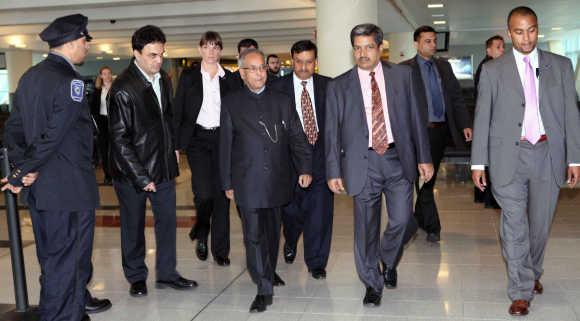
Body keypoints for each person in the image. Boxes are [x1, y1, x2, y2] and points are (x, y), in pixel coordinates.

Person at [471, 6, 580, 316]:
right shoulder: (493, 70)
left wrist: (575, 157)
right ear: (509, 33)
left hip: (548, 154)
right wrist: (478, 162)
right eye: (519, 32)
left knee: (539, 226)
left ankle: (531, 272)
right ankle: (520, 290)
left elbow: (571, 115)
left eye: (531, 30)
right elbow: (483, 118)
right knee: (514, 224)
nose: (526, 37)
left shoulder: (560, 65)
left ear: (538, 28)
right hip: (510, 157)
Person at [2, 13, 110, 321]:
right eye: (84, 42)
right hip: (69, 191)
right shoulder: (70, 81)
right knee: (70, 264)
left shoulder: (30, 77)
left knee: (53, 262)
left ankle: (70, 314)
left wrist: (26, 168)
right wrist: (24, 171)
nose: (86, 48)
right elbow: (55, 134)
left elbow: (13, 130)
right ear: (74, 42)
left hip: (42, 191)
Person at [325, 23, 433, 307]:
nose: (362, 53)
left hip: (399, 160)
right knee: (365, 229)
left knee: (402, 221)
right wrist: (333, 170)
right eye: (357, 48)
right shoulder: (339, 86)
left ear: (380, 48)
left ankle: (387, 260)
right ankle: (372, 283)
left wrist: (424, 157)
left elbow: (416, 120)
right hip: (363, 164)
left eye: (368, 47)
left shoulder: (403, 76)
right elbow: (332, 133)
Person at [220, 48, 312, 313]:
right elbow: (225, 146)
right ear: (242, 73)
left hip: (277, 179)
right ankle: (263, 287)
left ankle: (268, 271)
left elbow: (296, 136)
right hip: (246, 180)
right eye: (253, 68)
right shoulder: (232, 102)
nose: (260, 73)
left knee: (272, 233)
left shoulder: (281, 100)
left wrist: (305, 167)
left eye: (262, 67)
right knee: (253, 235)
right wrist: (227, 183)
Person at [108, 25, 196, 298]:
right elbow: (119, 140)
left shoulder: (164, 80)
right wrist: (141, 177)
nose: (158, 60)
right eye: (152, 55)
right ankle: (136, 277)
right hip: (133, 174)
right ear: (136, 53)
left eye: (161, 54)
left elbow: (167, 118)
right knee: (133, 226)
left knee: (167, 223)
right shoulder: (123, 89)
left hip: (164, 167)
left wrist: (173, 149)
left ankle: (167, 274)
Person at [400, 25, 472, 243]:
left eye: (434, 41)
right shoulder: (404, 69)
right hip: (417, 133)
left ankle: (419, 219)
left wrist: (465, 124)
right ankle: (432, 226)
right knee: (423, 179)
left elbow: (456, 97)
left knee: (426, 180)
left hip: (440, 132)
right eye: (427, 41)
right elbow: (400, 104)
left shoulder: (444, 66)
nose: (432, 45)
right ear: (416, 43)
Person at [270, 40, 333, 279]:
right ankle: (291, 237)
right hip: (289, 161)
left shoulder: (329, 86)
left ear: (315, 62)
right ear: (292, 60)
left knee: (320, 213)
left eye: (309, 62)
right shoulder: (277, 88)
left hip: (320, 157)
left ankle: (316, 262)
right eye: (299, 62)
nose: (304, 67)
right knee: (291, 213)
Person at [173, 31, 234, 265]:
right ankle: (201, 233)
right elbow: (178, 111)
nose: (211, 51)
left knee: (222, 196)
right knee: (204, 193)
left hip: (222, 140)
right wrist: (176, 145)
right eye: (207, 47)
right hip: (197, 140)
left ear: (220, 50)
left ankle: (221, 250)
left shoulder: (229, 79)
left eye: (215, 47)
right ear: (200, 50)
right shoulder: (188, 77)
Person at [473, 35, 504, 208]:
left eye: (503, 47)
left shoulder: (497, 67)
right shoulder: (487, 68)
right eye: (498, 47)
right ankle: (491, 198)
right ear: (488, 50)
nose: (502, 50)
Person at [90, 65, 114, 185]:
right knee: (104, 150)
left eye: (109, 73)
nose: (107, 76)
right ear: (101, 76)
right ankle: (108, 175)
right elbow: (93, 108)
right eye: (104, 73)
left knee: (115, 150)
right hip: (102, 123)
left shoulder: (116, 88)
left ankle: (117, 174)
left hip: (115, 122)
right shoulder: (98, 90)